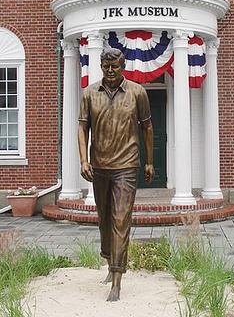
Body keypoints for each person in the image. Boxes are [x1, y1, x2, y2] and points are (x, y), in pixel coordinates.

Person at [78, 47, 154, 302]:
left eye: (115, 67)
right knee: (104, 220)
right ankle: (110, 260)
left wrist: (150, 162)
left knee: (121, 220)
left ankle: (117, 281)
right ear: (101, 66)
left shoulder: (137, 92)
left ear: (123, 67)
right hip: (99, 166)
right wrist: (83, 160)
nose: (110, 72)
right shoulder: (89, 93)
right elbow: (82, 127)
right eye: (106, 67)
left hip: (126, 166)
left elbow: (147, 127)